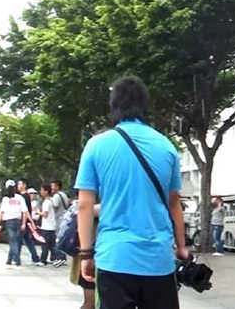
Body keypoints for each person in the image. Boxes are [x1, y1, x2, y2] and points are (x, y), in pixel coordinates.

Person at [75, 75, 188, 309]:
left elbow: (84, 205)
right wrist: (181, 247)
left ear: (114, 105)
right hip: (158, 260)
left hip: (114, 258)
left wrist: (85, 254)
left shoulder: (96, 145)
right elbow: (174, 204)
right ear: (144, 105)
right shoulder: (166, 146)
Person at [0, 179, 29, 267]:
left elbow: (2, 213)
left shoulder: (5, 199)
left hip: (9, 222)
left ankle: (17, 259)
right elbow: (25, 212)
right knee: (15, 240)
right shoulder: (20, 198)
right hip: (18, 221)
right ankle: (9, 259)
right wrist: (23, 223)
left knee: (13, 241)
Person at [17, 179, 41, 264]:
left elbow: (25, 211)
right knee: (27, 240)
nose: (18, 186)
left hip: (24, 221)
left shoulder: (24, 196)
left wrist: (23, 223)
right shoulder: (24, 196)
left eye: (20, 184)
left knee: (19, 240)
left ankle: (16, 258)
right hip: (26, 221)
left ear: (24, 185)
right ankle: (35, 257)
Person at [50, 179, 70, 267]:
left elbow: (55, 206)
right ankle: (62, 257)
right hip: (65, 219)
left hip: (59, 220)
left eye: (53, 186)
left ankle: (59, 257)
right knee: (62, 238)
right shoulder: (64, 195)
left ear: (57, 187)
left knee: (58, 239)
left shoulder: (56, 196)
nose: (51, 188)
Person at [38, 184, 57, 266]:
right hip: (52, 225)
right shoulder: (51, 200)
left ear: (46, 191)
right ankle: (54, 258)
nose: (40, 192)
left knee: (44, 244)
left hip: (46, 226)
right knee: (52, 245)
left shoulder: (46, 202)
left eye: (42, 190)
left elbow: (45, 214)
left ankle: (43, 260)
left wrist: (38, 212)